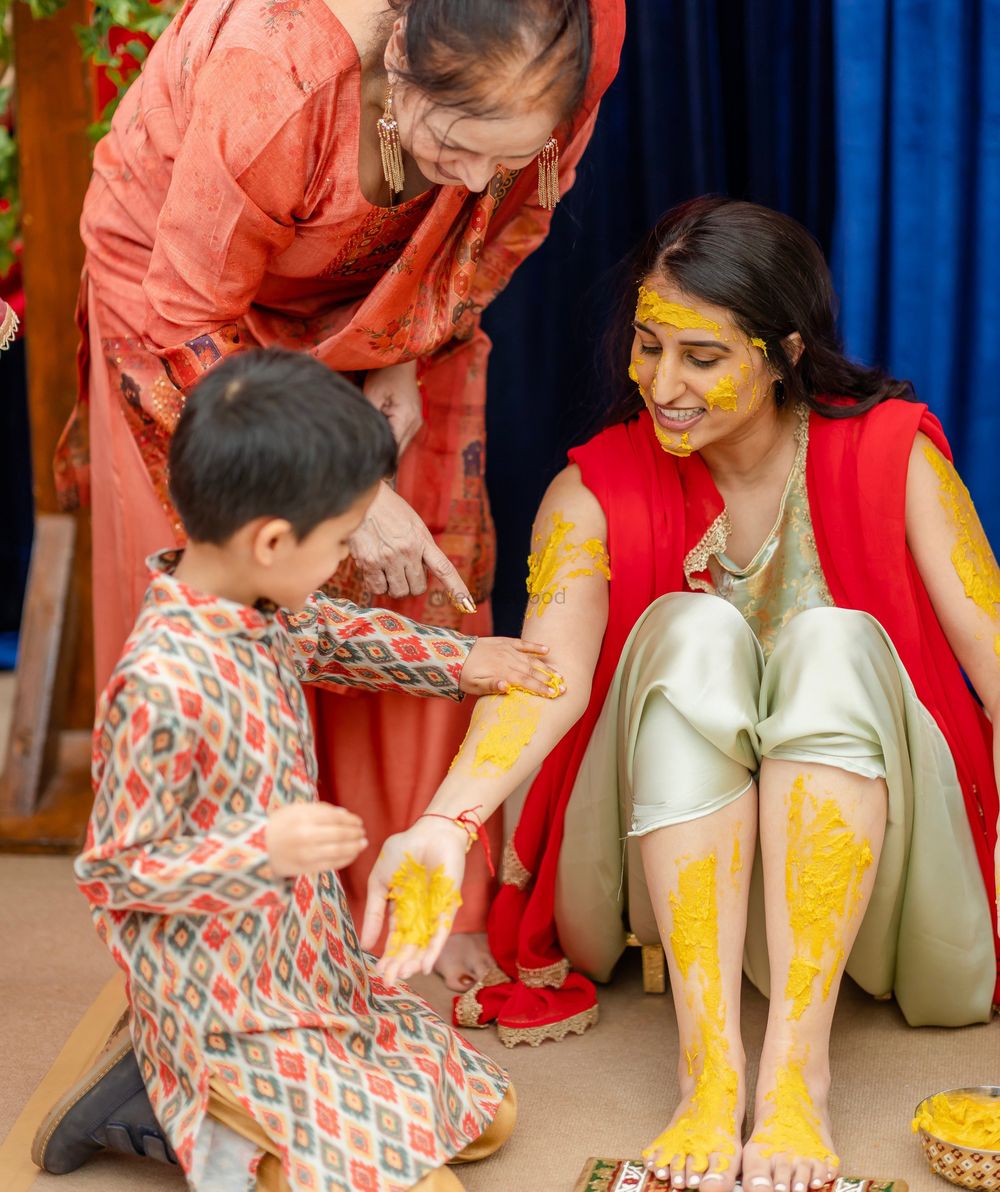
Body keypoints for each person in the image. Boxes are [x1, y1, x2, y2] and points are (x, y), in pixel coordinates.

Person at [363, 198, 1000, 1192]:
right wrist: (447, 825)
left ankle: (796, 1075)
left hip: (890, 902)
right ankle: (709, 1075)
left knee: (828, 643)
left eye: (702, 357)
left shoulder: (894, 455)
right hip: (650, 899)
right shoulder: (591, 489)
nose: (663, 384)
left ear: (783, 349)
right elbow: (546, 679)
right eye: (648, 346)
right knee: (694, 630)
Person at [55, 0, 623, 990]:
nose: (482, 178)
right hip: (188, 311)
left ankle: (411, 899)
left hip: (405, 294)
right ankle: (221, 946)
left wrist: (401, 351)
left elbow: (492, 223)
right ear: (401, 56)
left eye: (508, 152)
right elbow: (188, 317)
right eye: (459, 144)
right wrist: (353, 494)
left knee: (419, 568)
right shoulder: (276, 74)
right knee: (233, 606)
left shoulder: (583, 30)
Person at [37, 349, 567, 1188]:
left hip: (310, 968)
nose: (346, 557)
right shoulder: (161, 684)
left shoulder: (262, 601)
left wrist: (462, 660)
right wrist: (260, 849)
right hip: (222, 1010)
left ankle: (208, 1114)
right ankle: (174, 1106)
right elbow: (116, 875)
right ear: (274, 540)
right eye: (342, 540)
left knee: (485, 1121)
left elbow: (336, 635)